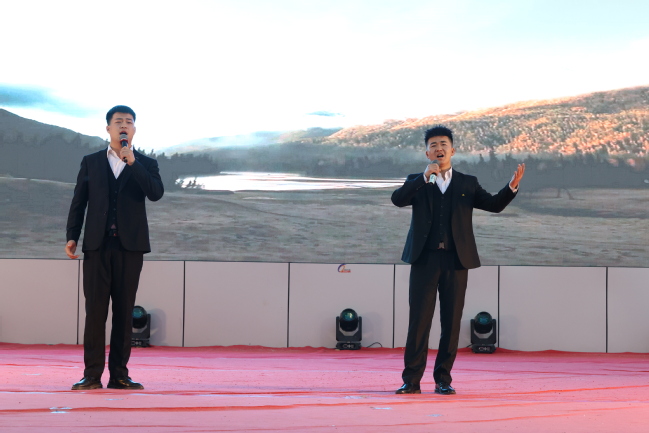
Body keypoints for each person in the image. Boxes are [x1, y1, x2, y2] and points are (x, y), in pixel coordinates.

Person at [392, 125, 524, 395]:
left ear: (452, 150)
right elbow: (398, 200)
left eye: (443, 144)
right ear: (427, 152)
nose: (438, 148)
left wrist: (511, 187)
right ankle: (411, 380)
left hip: (456, 261)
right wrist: (423, 178)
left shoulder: (467, 182)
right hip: (424, 260)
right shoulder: (417, 180)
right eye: (433, 145)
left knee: (451, 323)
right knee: (419, 322)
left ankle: (443, 379)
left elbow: (494, 205)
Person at [65, 105, 164, 390]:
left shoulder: (146, 163)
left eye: (129, 122)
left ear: (134, 130)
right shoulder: (91, 162)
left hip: (130, 248)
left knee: (123, 311)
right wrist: (72, 235)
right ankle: (92, 375)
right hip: (97, 246)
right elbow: (79, 201)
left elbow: (156, 193)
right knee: (95, 312)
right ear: (108, 128)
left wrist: (134, 163)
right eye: (118, 121)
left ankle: (119, 375)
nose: (124, 125)